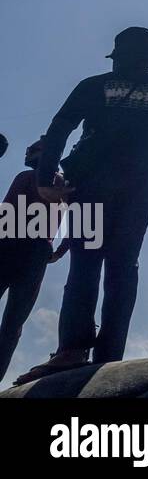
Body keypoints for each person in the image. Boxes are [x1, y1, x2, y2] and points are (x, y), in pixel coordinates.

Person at [17, 21, 148, 383]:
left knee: (86, 265)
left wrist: (45, 179)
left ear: (117, 58)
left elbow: (60, 126)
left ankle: (72, 350)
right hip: (138, 190)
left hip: (91, 187)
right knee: (123, 268)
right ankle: (110, 355)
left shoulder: (93, 86)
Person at [0, 140, 70, 380]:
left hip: (10, 245)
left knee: (13, 322)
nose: (27, 151)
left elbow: (6, 213)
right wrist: (59, 251)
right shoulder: (63, 184)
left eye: (33, 148)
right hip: (37, 251)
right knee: (14, 323)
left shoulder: (26, 177)